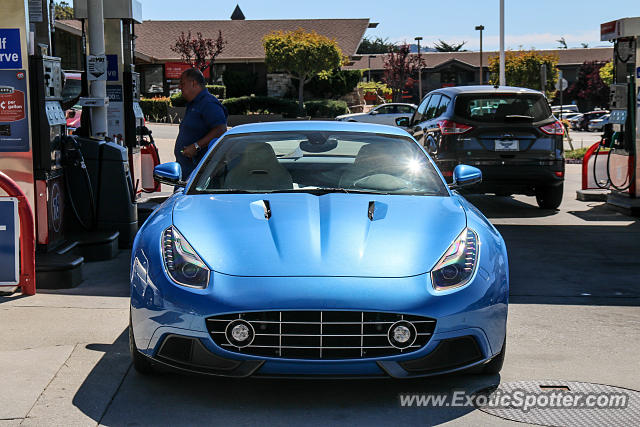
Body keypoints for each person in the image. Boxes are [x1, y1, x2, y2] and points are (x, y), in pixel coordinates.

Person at [174, 68, 228, 179]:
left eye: (182, 83)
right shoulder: (194, 104)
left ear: (193, 83)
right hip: (187, 172)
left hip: (200, 176)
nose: (180, 87)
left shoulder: (208, 103)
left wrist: (196, 146)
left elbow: (221, 129)